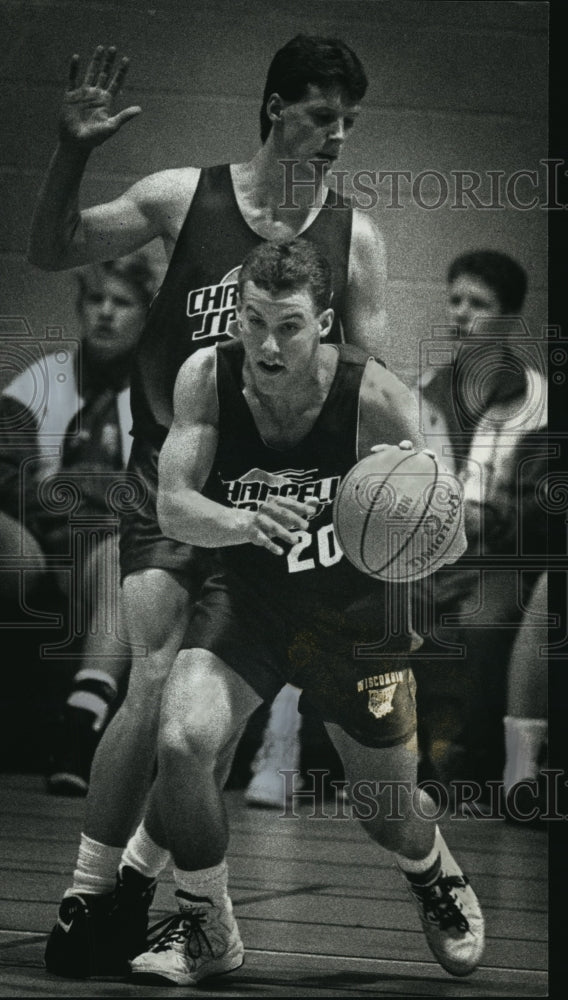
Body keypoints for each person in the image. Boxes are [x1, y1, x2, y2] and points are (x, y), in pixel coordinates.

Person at [30, 35, 391, 974]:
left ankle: (151, 887)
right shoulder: (183, 196)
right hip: (172, 474)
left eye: (349, 121)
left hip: (279, 497)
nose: (339, 137)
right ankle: (86, 895)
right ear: (274, 108)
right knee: (150, 676)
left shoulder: (357, 240)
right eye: (322, 116)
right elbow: (51, 247)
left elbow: (365, 392)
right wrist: (72, 150)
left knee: (205, 726)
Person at [111, 240, 483, 986]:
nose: (267, 343)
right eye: (252, 321)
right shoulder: (206, 379)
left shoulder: (375, 398)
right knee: (183, 739)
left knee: (383, 810)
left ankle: (430, 868)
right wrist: (246, 523)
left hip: (352, 613)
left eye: (287, 325)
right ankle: (208, 924)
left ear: (325, 325)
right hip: (248, 599)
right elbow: (173, 506)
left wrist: (398, 532)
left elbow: (454, 527)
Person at [0, 255, 155, 794]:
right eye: (96, 300)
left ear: (145, 315)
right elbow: (6, 475)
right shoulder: (42, 380)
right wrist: (84, 491)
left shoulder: (163, 397)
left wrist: (69, 486)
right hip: (36, 539)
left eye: (123, 302)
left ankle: (80, 724)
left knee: (120, 562)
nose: (107, 313)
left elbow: (153, 495)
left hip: (107, 545)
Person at [413, 251, 547, 789]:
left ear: (510, 319)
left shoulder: (539, 398)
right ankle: (402, 759)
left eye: (478, 303)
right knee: (382, 612)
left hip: (502, 559)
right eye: (455, 300)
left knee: (483, 621)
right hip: (431, 554)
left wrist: (484, 520)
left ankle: (471, 764)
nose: (461, 313)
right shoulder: (426, 388)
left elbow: (545, 505)